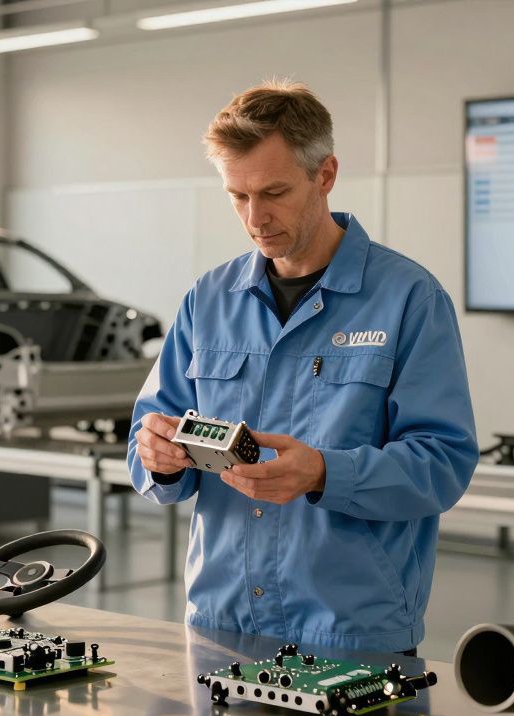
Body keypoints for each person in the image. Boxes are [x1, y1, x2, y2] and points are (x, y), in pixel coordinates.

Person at [126, 80, 478, 654]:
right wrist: (159, 459)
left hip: (352, 633)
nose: (255, 218)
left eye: (274, 192)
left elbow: (443, 464)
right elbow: (148, 442)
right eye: (237, 196)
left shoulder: (409, 298)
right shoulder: (207, 300)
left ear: (326, 175)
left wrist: (323, 473)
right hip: (220, 623)